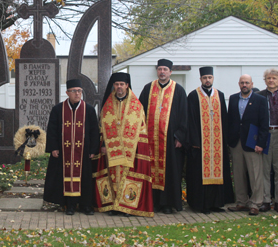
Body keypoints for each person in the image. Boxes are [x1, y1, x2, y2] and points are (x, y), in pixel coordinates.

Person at [94, 73, 154, 217]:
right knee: (113, 176)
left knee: (127, 177)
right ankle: (113, 205)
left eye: (122, 84)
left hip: (130, 150)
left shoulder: (136, 105)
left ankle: (126, 206)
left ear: (127, 85)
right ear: (113, 86)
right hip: (111, 149)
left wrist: (137, 148)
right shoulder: (107, 105)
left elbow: (142, 129)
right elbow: (101, 127)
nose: (119, 87)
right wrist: (102, 144)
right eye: (116, 84)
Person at [43, 79, 100, 215]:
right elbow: (52, 130)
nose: (77, 94)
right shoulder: (58, 109)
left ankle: (86, 205)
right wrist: (54, 148)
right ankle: (70, 205)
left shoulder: (89, 109)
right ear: (67, 93)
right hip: (64, 152)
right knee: (65, 177)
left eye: (79, 91)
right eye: (74, 91)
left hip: (83, 152)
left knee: (85, 178)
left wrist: (93, 150)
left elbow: (94, 131)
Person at [139, 59, 188, 214]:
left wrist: (180, 136)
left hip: (170, 142)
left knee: (170, 172)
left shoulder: (178, 90)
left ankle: (168, 203)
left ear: (170, 72)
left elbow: (184, 115)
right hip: (150, 140)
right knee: (149, 170)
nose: (162, 72)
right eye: (159, 69)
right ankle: (152, 202)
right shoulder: (148, 89)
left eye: (165, 69)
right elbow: (140, 111)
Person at [186, 67, 234, 214]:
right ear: (200, 79)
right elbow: (191, 120)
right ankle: (201, 205)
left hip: (217, 143)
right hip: (200, 144)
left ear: (213, 79)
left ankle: (216, 204)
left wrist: (225, 140)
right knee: (199, 174)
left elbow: (225, 119)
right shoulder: (194, 96)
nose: (207, 80)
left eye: (210, 77)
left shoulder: (220, 95)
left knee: (218, 172)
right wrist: (194, 141)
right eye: (205, 77)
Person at [227, 74, 269, 215]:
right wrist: (229, 140)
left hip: (253, 143)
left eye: (247, 82)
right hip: (236, 142)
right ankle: (241, 202)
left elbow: (264, 123)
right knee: (238, 174)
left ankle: (256, 204)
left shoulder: (260, 100)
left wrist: (261, 143)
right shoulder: (233, 99)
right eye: (242, 82)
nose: (244, 85)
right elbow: (231, 121)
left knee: (255, 175)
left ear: (252, 84)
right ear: (239, 84)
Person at [257, 68, 278, 213]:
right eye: (269, 78)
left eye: (274, 78)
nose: (271, 80)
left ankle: (277, 201)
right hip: (265, 135)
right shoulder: (259, 96)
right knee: (264, 170)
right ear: (265, 80)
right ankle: (265, 200)